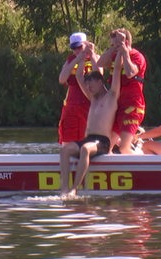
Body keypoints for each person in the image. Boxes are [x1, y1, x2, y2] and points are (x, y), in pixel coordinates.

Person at [60, 39, 124, 196]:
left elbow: (116, 71)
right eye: (87, 86)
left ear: (100, 82)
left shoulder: (111, 96)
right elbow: (80, 78)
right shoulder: (92, 98)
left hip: (102, 142)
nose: (88, 88)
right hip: (89, 138)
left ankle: (75, 189)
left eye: (91, 84)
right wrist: (83, 56)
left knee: (85, 149)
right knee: (65, 150)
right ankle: (64, 189)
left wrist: (120, 50)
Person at [97, 28, 147, 154]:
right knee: (105, 148)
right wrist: (113, 49)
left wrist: (125, 52)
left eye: (117, 44)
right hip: (117, 106)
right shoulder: (114, 55)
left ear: (127, 42)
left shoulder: (137, 56)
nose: (116, 47)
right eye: (113, 44)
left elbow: (130, 73)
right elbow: (100, 63)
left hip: (132, 106)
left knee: (124, 147)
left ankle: (141, 169)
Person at [58, 32, 101, 145]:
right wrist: (77, 60)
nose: (77, 50)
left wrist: (91, 55)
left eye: (80, 47)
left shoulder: (95, 58)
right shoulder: (70, 60)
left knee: (89, 139)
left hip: (89, 104)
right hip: (72, 104)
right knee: (68, 139)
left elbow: (100, 74)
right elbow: (62, 79)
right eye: (74, 48)